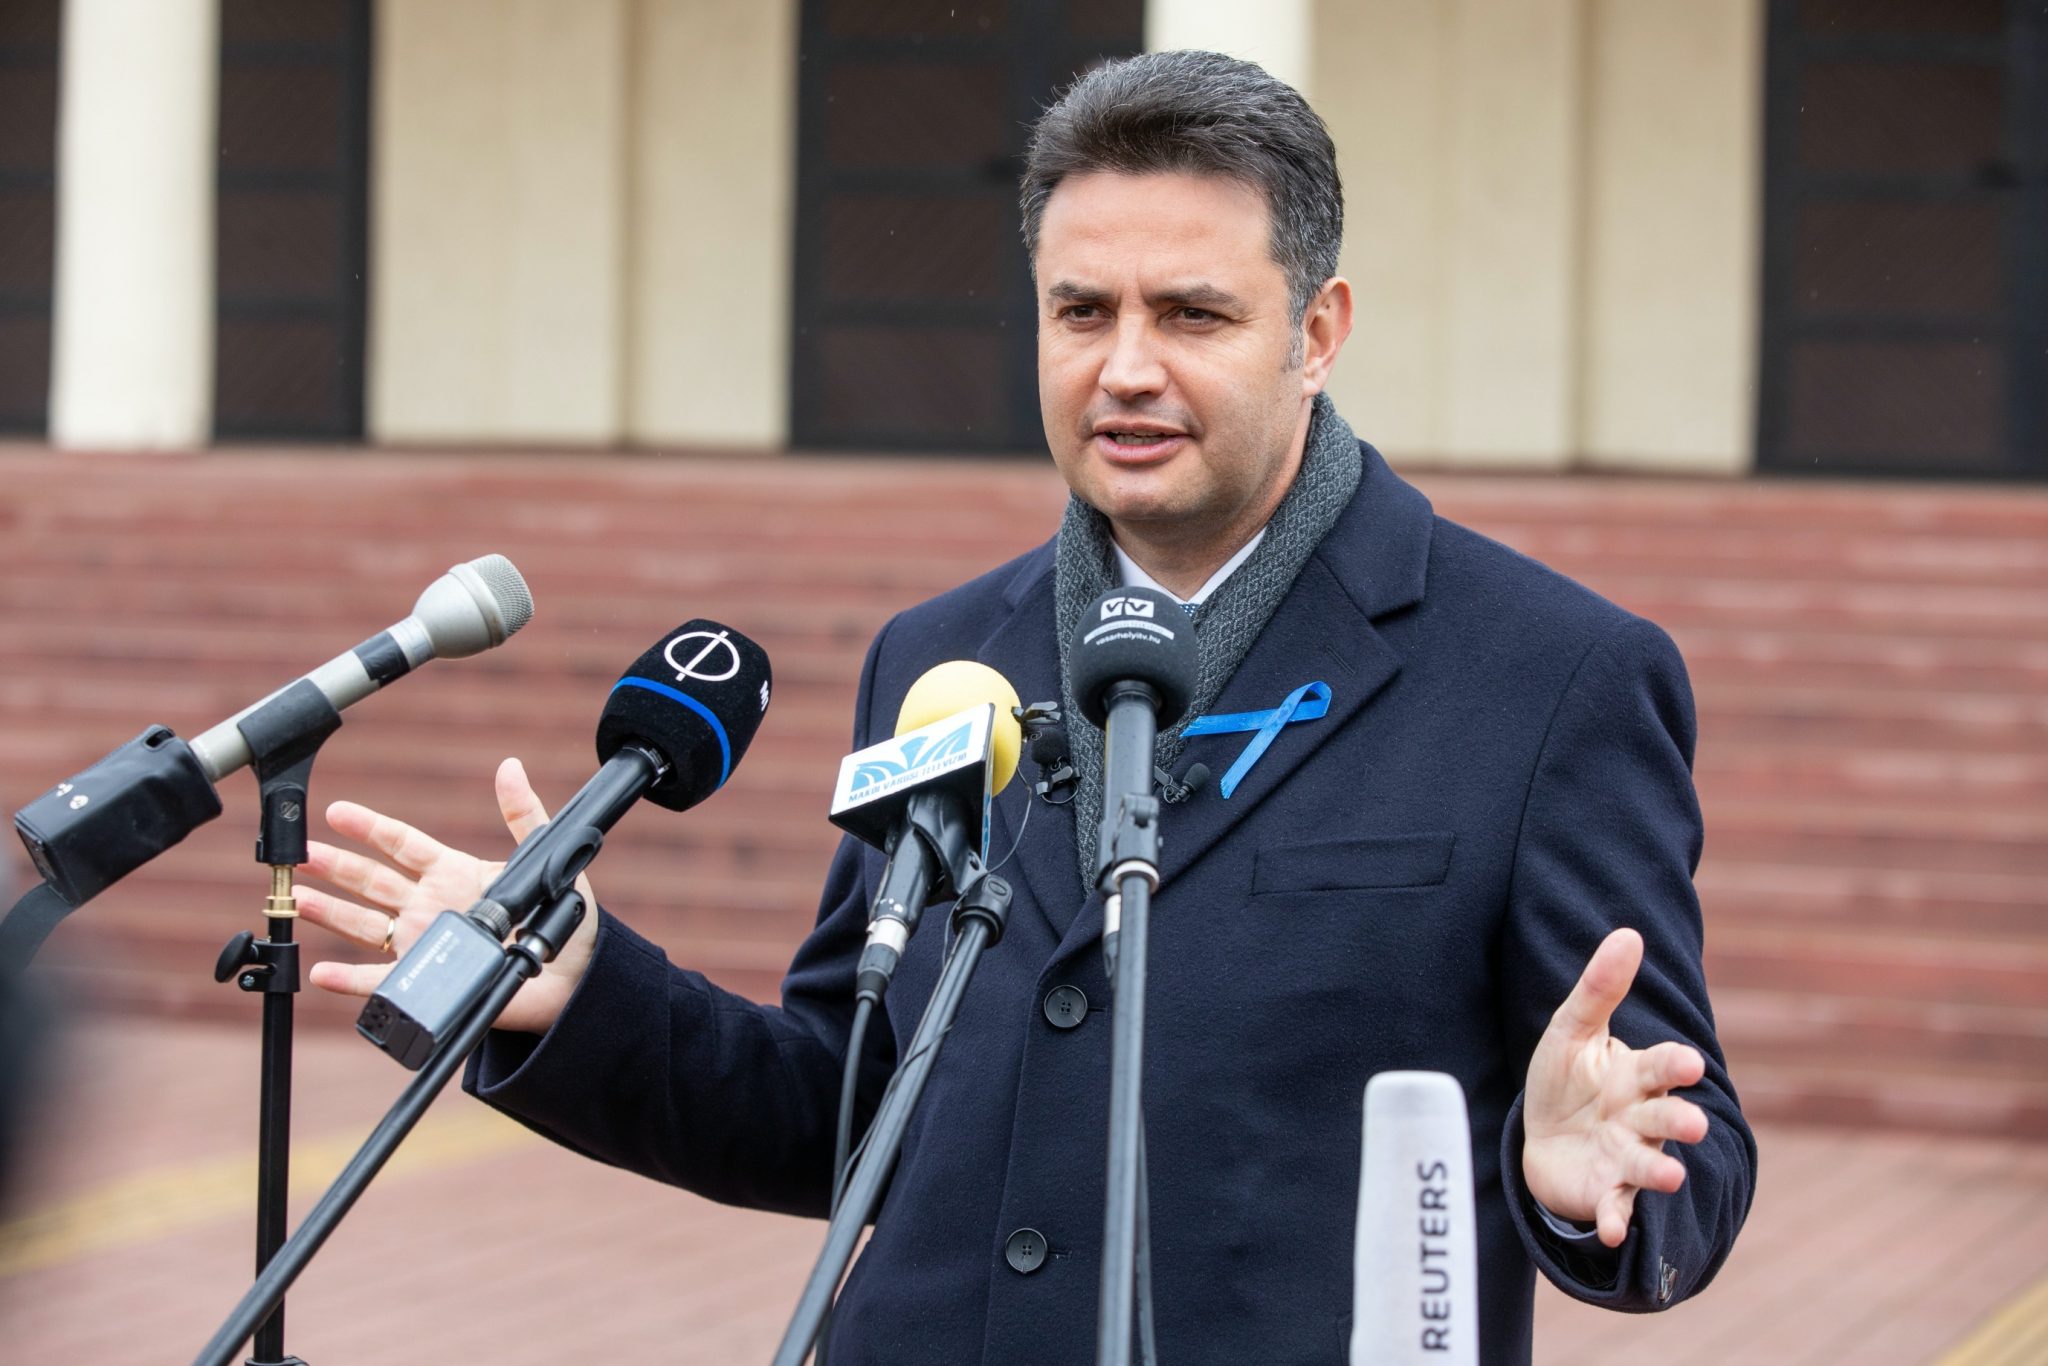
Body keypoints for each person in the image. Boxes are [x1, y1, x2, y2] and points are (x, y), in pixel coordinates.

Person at [297, 51, 1754, 1365]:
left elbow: (1680, 1150)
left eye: (1193, 314)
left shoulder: (1550, 676)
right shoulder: (942, 659)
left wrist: (1588, 1182)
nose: (1127, 369)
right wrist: (587, 995)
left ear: (1316, 332)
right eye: (1081, 311)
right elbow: (853, 1102)